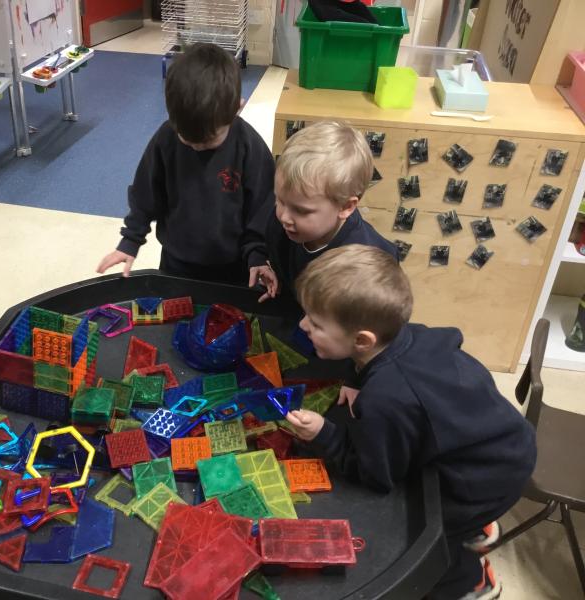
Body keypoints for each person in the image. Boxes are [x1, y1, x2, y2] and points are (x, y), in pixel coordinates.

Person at [286, 244, 536, 600]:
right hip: (506, 443)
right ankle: (477, 525)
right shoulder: (411, 334)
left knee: (429, 543)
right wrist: (357, 378)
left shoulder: (386, 400)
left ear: (362, 340)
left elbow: (377, 476)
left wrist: (323, 434)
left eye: (315, 323)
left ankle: (473, 585)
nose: (303, 325)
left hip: (484, 479)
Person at [96, 42, 277, 298]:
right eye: (187, 139)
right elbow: (146, 192)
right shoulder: (166, 139)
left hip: (235, 266)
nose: (197, 146)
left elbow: (263, 205)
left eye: (209, 140)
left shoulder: (249, 146)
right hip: (176, 262)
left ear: (238, 107)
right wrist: (131, 240)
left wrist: (257, 254)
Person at [266, 120, 397, 302]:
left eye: (301, 211)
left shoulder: (363, 270)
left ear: (345, 207)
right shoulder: (287, 220)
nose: (284, 217)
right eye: (280, 200)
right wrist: (269, 267)